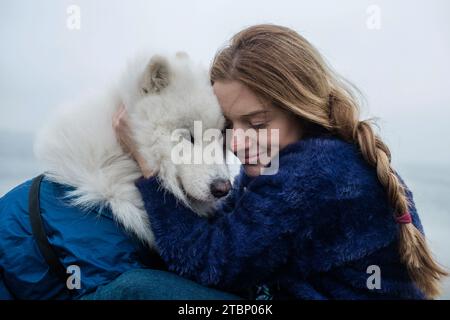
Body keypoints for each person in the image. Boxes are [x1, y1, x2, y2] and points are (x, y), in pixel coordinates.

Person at [95, 24, 447, 300]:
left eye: (258, 123)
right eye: (229, 126)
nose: (239, 141)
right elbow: (238, 236)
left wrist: (148, 166)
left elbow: (207, 263)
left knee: (133, 290)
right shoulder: (291, 160)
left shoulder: (316, 174)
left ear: (299, 107)